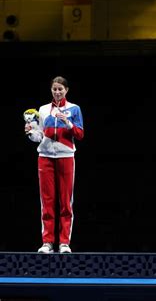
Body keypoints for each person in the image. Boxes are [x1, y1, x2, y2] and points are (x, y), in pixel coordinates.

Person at [25, 76, 84, 254]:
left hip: (66, 156)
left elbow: (80, 134)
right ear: (51, 90)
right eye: (54, 89)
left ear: (66, 90)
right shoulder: (42, 110)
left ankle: (64, 242)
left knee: (66, 201)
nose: (57, 92)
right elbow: (39, 137)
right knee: (47, 201)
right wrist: (30, 133)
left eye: (60, 89)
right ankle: (47, 242)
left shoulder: (74, 109)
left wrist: (67, 122)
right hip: (45, 157)